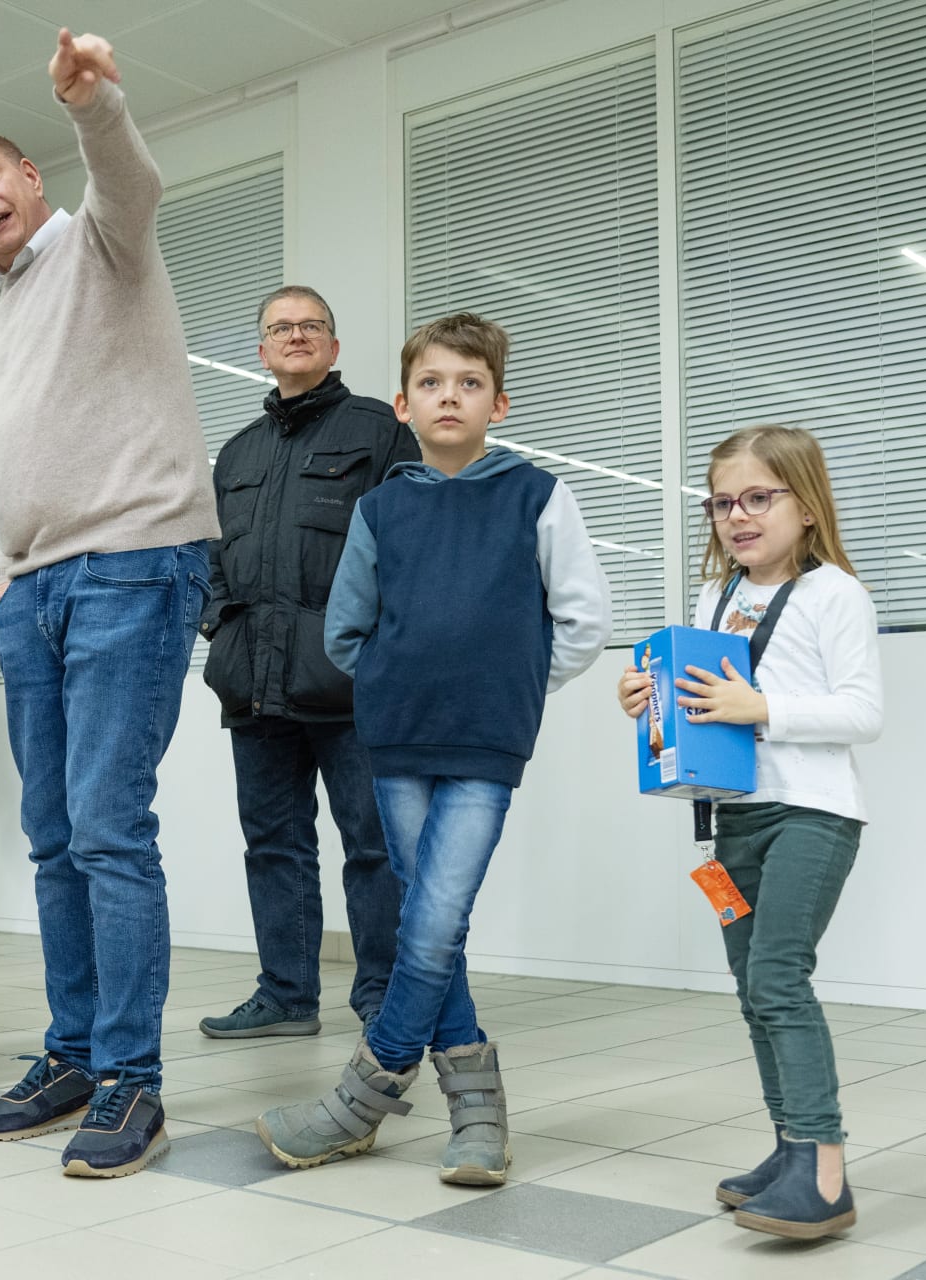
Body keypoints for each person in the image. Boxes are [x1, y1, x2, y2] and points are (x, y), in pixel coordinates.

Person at [0, 28, 218, 1176]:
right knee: (53, 838)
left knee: (105, 824)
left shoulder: (102, 243)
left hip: (136, 563)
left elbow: (135, 179)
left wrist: (94, 101)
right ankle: (76, 1053)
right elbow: (38, 451)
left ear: (32, 177)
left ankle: (133, 1079)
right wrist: (8, 560)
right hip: (37, 586)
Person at [256, 313, 611, 1185]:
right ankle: (478, 1116)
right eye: (431, 383)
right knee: (428, 918)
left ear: (499, 401)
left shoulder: (537, 495)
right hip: (397, 740)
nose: (449, 395)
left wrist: (514, 685)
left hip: (487, 744)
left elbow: (583, 621)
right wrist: (392, 684)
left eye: (469, 383)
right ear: (403, 405)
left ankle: (364, 1095)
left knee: (434, 916)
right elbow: (346, 632)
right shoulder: (383, 508)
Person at [617, 425, 881, 1239]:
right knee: (751, 990)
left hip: (813, 813)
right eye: (723, 502)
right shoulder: (717, 597)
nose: (738, 516)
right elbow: (705, 699)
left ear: (806, 507)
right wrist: (649, 695)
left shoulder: (836, 593)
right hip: (735, 818)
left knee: (778, 980)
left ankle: (824, 1171)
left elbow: (863, 713)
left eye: (758, 498)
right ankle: (788, 1145)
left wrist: (761, 707)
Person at [198, 285, 413, 1040]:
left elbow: (408, 546)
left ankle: (385, 996)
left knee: (374, 846)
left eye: (310, 326)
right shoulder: (237, 452)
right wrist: (219, 624)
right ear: (261, 350)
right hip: (252, 682)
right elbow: (210, 553)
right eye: (280, 328)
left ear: (333, 346)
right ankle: (286, 996)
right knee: (273, 845)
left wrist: (378, 645)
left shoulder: (380, 431)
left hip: (351, 685)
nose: (295, 336)